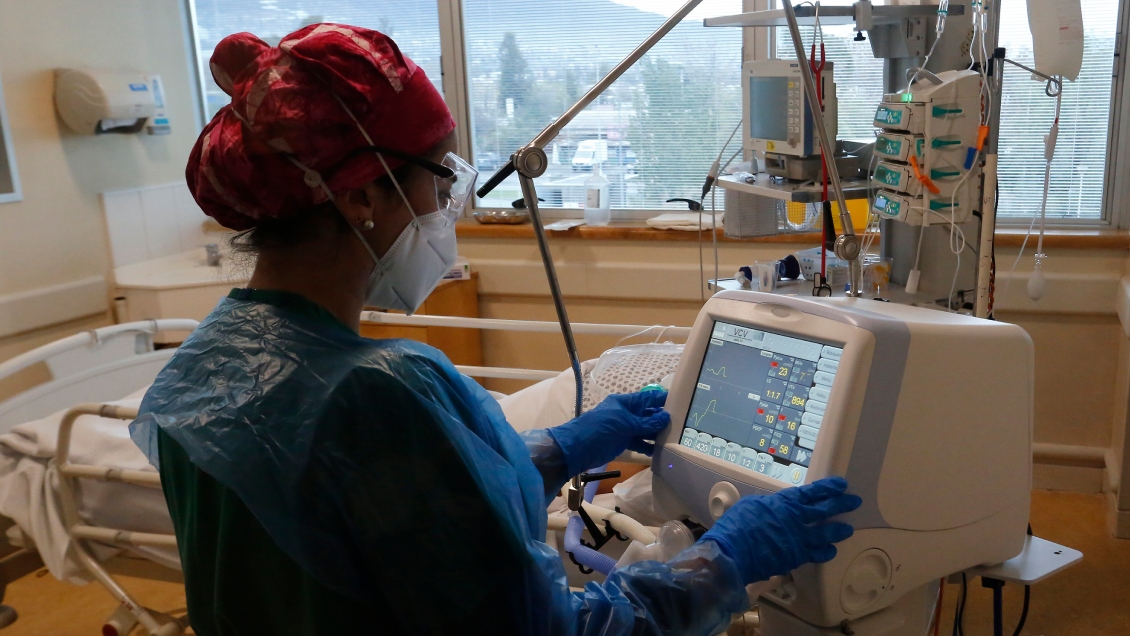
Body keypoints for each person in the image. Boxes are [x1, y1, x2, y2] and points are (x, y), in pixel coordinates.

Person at [131, 23, 862, 636]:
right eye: (438, 181)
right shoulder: (379, 398)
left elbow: (401, 526)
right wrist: (725, 563)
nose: (446, 207)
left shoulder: (206, 363)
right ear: (359, 196)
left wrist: (553, 451)